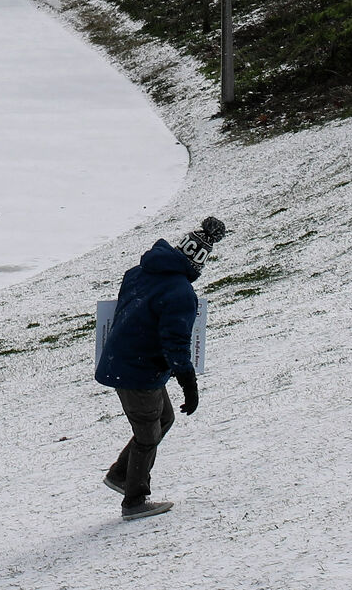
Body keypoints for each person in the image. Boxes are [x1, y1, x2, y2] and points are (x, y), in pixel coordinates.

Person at [94, 217, 224, 520]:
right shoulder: (180, 293)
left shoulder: (139, 272)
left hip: (123, 362)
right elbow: (176, 344)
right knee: (148, 435)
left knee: (164, 417)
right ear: (199, 263)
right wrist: (189, 385)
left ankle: (120, 475)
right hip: (138, 373)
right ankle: (134, 502)